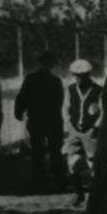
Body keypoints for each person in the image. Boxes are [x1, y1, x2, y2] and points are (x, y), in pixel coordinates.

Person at [14, 51, 67, 192]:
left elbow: (21, 98)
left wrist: (19, 113)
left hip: (36, 119)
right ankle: (60, 181)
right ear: (52, 65)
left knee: (37, 152)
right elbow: (59, 102)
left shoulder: (30, 79)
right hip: (53, 120)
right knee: (56, 151)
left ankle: (39, 183)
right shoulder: (56, 81)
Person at [63, 59, 103, 207]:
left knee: (93, 165)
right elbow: (65, 112)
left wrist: (93, 129)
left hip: (91, 134)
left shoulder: (98, 90)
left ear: (88, 75)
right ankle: (79, 194)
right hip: (74, 133)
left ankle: (94, 197)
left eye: (82, 75)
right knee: (72, 163)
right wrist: (71, 129)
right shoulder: (70, 89)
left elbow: (102, 113)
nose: (78, 78)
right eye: (76, 75)